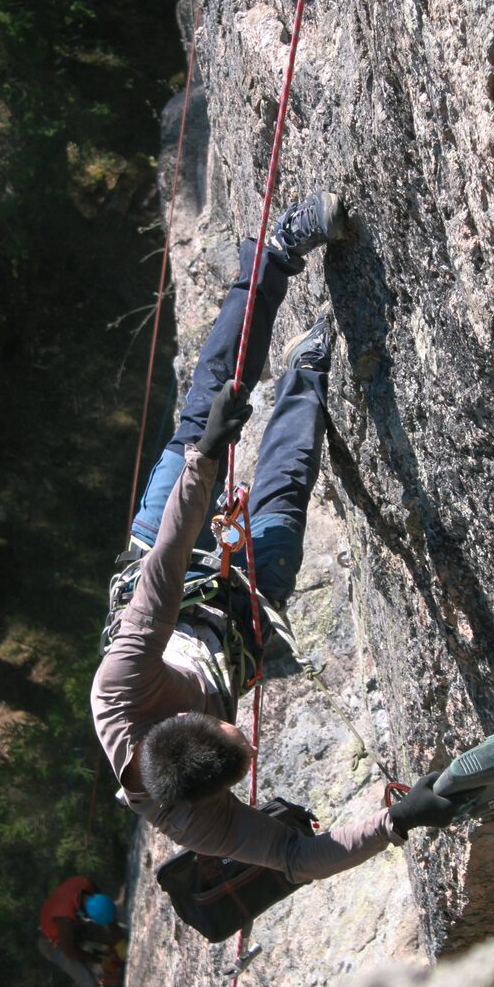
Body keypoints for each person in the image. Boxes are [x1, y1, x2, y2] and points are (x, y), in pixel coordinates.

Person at [91, 193, 462, 887]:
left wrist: (205, 455)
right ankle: (308, 370)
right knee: (284, 493)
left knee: (211, 402)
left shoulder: (121, 688)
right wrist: (399, 822)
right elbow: (295, 858)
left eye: (236, 736)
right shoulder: (190, 818)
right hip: (235, 626)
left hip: (160, 566)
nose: (248, 737)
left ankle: (276, 250)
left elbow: (167, 570)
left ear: (186, 720)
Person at [37, 876, 126, 987]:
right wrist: (99, 959)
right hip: (53, 943)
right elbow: (71, 951)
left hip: (75, 923)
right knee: (87, 982)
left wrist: (118, 941)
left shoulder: (86, 885)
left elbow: (108, 917)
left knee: (119, 935)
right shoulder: (64, 920)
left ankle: (111, 975)